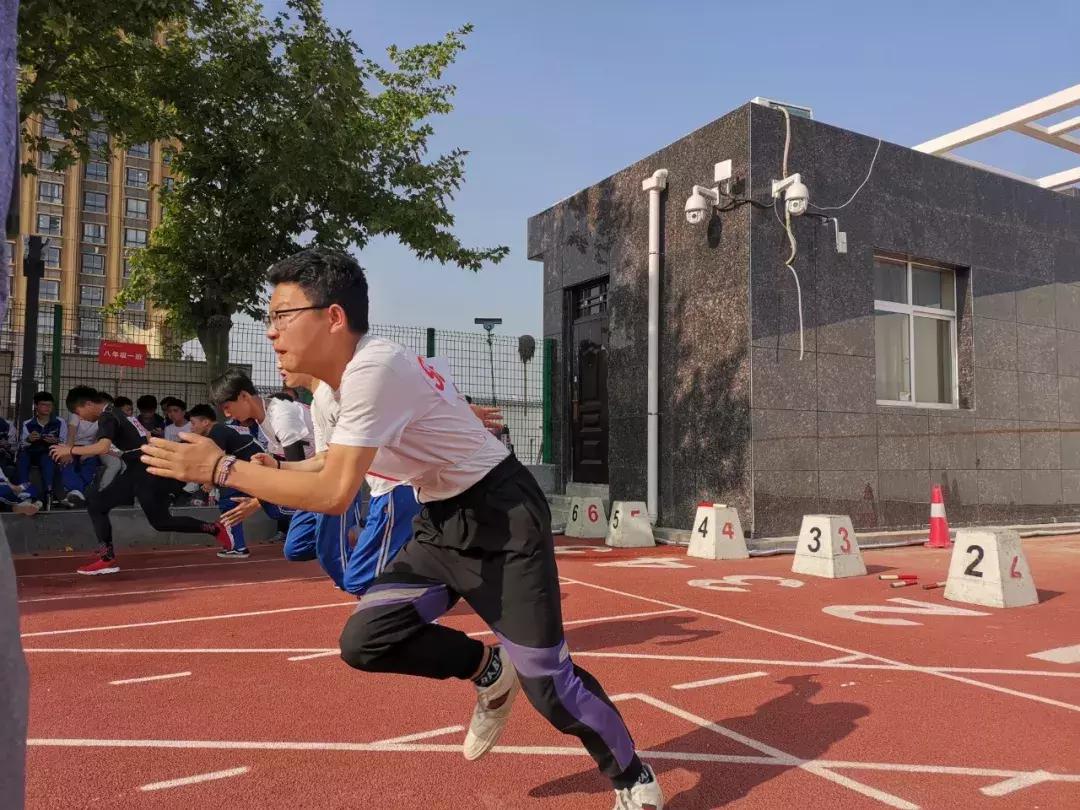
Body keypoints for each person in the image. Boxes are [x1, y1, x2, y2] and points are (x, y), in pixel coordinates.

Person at [142, 248, 663, 809]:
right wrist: (270, 471)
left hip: (502, 515)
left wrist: (221, 469)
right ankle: (488, 668)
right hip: (441, 518)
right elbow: (328, 465)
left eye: (282, 315)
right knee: (367, 638)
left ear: (333, 317)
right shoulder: (337, 390)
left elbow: (337, 493)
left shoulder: (373, 368)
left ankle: (633, 778)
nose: (271, 332)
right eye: (269, 318)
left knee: (550, 685)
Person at [51, 387, 233, 575]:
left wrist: (70, 450)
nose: (80, 418)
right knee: (157, 521)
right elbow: (143, 437)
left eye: (78, 413)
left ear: (88, 404)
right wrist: (126, 453)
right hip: (142, 469)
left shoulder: (108, 416)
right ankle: (214, 529)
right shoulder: (118, 413)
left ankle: (107, 558)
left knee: (102, 506)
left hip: (145, 472)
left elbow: (103, 446)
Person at [186, 404, 292, 559]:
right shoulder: (222, 430)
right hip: (249, 470)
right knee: (271, 509)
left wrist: (208, 485)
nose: (191, 428)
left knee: (273, 509)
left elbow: (218, 461)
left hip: (255, 470)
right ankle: (237, 547)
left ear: (205, 422)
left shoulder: (217, 431)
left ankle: (313, 514)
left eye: (193, 423)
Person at [16, 391, 65, 508]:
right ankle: (25, 495)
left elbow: (65, 441)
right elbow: (21, 445)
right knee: (22, 457)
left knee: (47, 458)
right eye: (44, 404)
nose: (48, 408)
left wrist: (56, 441)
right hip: (31, 452)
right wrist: (28, 439)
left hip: (48, 452)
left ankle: (49, 493)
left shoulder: (59, 422)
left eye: (50, 405)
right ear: (36, 406)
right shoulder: (27, 423)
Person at [58, 406, 100, 508]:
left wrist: (89, 452)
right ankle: (78, 493)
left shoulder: (101, 418)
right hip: (72, 445)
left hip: (89, 447)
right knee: (67, 462)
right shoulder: (76, 415)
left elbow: (99, 440)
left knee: (90, 462)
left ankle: (74, 495)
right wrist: (68, 451)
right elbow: (71, 436)